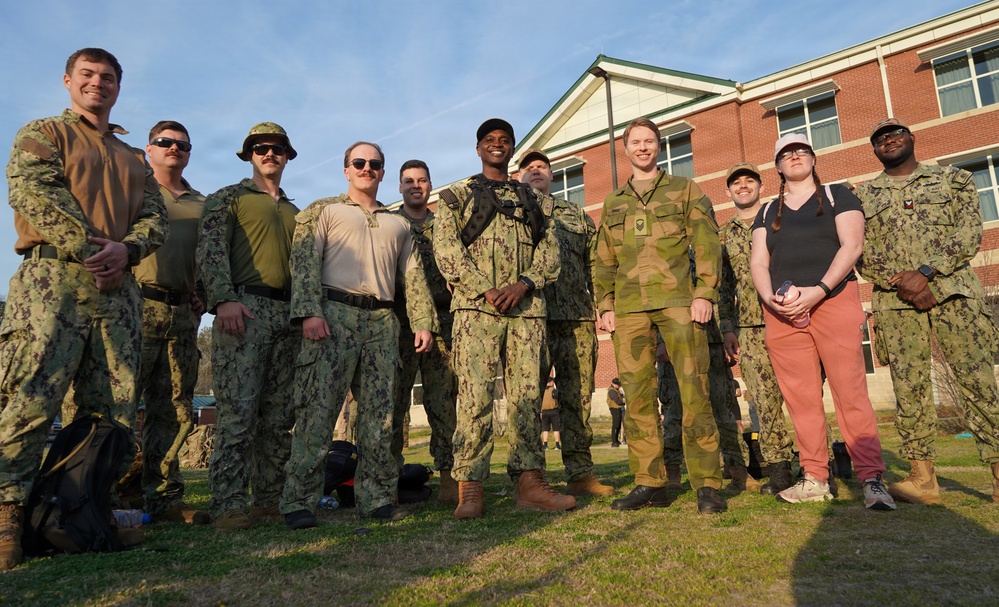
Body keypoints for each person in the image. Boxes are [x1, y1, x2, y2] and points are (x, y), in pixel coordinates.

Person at [0, 48, 168, 569]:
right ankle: (7, 518)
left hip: (118, 289)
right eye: (89, 75)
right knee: (30, 399)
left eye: (109, 77)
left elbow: (155, 217)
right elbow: (33, 193)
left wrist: (129, 250)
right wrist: (97, 249)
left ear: (119, 86)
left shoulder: (133, 158)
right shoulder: (45, 132)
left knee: (111, 412)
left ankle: (85, 511)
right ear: (68, 80)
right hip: (53, 282)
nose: (99, 84)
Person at [279, 142, 436, 528]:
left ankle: (376, 498)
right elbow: (303, 262)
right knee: (317, 414)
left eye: (375, 164)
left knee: (380, 417)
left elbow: (413, 277)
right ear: (346, 170)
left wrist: (422, 321)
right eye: (359, 163)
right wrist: (309, 312)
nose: (368, 168)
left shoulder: (398, 223)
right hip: (332, 315)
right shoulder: (325, 211)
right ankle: (299, 502)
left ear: (383, 173)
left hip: (382, 324)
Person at [434, 118, 573, 519]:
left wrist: (524, 284)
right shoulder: (457, 197)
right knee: (475, 398)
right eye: (489, 140)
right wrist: (484, 288)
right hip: (476, 311)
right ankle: (470, 486)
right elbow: (446, 250)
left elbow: (551, 252)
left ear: (512, 149)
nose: (497, 145)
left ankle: (530, 482)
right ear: (478, 149)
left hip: (526, 311)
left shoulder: (536, 201)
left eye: (504, 140)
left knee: (527, 398)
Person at [857, 118, 999, 504]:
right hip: (895, 302)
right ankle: (923, 479)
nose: (889, 139)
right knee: (910, 387)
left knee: (979, 381)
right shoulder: (864, 195)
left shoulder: (953, 179)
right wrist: (904, 282)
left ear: (911, 138)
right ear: (874, 149)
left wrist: (925, 274)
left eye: (896, 133)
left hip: (955, 293)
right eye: (880, 138)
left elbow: (970, 231)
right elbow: (859, 251)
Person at [749, 133, 894, 510]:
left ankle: (872, 479)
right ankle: (814, 476)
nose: (794, 156)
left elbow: (852, 246)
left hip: (833, 300)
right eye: (785, 154)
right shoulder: (767, 211)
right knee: (801, 399)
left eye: (800, 151)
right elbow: (759, 263)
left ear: (813, 158)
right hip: (783, 312)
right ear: (778, 167)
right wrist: (770, 299)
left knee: (851, 391)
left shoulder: (837, 195)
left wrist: (819, 290)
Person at [593, 117, 726, 514]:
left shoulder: (685, 190)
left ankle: (706, 484)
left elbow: (706, 243)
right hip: (630, 308)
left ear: (659, 146)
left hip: (680, 303)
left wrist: (705, 292)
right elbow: (603, 259)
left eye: (649, 141)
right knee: (636, 398)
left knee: (694, 391)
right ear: (626, 148)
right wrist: (604, 304)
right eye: (635, 142)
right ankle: (650, 482)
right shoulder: (614, 201)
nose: (642, 147)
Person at [197, 122, 301, 530]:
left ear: (288, 155)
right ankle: (228, 503)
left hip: (287, 315)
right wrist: (223, 299)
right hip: (244, 308)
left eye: (277, 148)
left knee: (277, 417)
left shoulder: (296, 211)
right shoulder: (228, 198)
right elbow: (210, 251)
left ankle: (268, 499)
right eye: (260, 148)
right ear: (249, 154)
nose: (269, 153)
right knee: (238, 412)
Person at [519, 148, 614, 497]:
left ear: (552, 175)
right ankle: (531, 477)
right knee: (527, 399)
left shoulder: (576, 214)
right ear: (520, 176)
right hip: (530, 320)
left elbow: (596, 263)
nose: (536, 171)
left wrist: (604, 305)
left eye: (542, 166)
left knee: (578, 398)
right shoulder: (511, 212)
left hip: (575, 317)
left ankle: (580, 473)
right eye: (529, 167)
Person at [136, 120, 209, 524]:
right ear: (149, 149)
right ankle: (107, 496)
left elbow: (210, 257)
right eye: (165, 142)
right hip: (136, 307)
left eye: (182, 144)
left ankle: (163, 499)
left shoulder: (201, 203)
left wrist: (203, 293)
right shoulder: (136, 191)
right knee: (117, 404)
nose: (173, 149)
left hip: (182, 315)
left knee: (174, 409)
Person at [718, 162, 797, 495]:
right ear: (729, 191)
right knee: (763, 402)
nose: (743, 186)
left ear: (761, 186)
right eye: (736, 183)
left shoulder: (782, 219)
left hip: (791, 318)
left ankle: (815, 466)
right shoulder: (725, 234)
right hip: (750, 327)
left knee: (801, 396)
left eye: (749, 181)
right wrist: (727, 326)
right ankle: (779, 472)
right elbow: (723, 286)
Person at [391, 160, 459, 505]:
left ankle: (450, 477)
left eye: (422, 180)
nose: (416, 186)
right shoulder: (389, 224)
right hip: (399, 325)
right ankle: (386, 480)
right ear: (399, 187)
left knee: (443, 403)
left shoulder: (445, 225)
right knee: (393, 403)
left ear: (430, 185)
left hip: (444, 324)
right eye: (409, 181)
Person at [540, 378, 561, 451]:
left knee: (545, 429)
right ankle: (557, 445)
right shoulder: (553, 390)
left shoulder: (542, 391)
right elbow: (558, 398)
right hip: (554, 411)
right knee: (556, 429)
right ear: (551, 382)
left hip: (544, 412)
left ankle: (545, 445)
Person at [607, 378, 626, 448]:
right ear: (614, 384)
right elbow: (617, 401)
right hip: (614, 409)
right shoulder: (612, 391)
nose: (619, 386)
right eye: (618, 385)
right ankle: (614, 441)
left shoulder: (617, 390)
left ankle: (616, 440)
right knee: (616, 425)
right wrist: (624, 402)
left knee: (618, 425)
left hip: (618, 408)